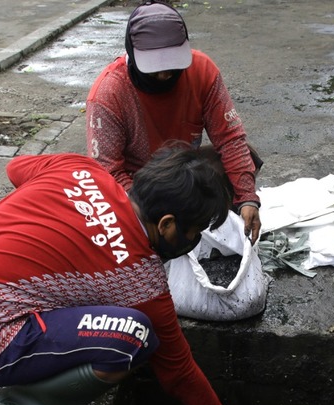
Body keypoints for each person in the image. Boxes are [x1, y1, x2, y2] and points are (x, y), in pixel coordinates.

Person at [0, 147, 266, 405]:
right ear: (167, 225)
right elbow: (178, 371)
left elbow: (15, 168)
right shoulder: (139, 281)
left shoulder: (82, 169)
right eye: (195, 231)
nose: (196, 239)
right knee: (133, 336)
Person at [86, 1, 263, 245]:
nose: (164, 75)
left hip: (183, 173)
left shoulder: (202, 71)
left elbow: (230, 139)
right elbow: (107, 172)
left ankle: (218, 223)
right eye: (155, 68)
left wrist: (247, 198)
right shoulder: (109, 92)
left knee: (245, 158)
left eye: (171, 66)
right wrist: (146, 213)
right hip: (140, 186)